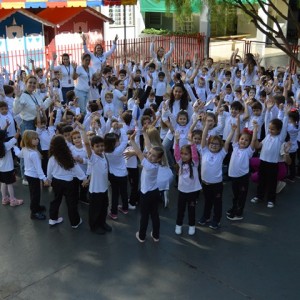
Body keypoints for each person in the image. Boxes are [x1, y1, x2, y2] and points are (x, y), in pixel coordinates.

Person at [13, 75, 53, 185]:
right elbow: (16, 111)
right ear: (25, 83)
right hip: (27, 124)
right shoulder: (22, 96)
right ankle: (25, 176)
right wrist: (16, 97)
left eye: (34, 83)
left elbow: (42, 107)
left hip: (37, 123)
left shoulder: (35, 94)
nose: (32, 84)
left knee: (35, 149)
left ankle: (35, 173)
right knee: (26, 150)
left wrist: (50, 98)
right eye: (30, 82)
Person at [250, 101, 289, 208]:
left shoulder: (280, 138)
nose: (270, 130)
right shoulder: (267, 136)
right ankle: (259, 196)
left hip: (273, 164)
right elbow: (267, 122)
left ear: (279, 130)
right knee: (261, 180)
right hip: (263, 161)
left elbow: (284, 126)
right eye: (270, 129)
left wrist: (285, 114)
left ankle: (271, 200)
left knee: (272, 183)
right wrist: (268, 110)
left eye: (273, 129)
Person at [198, 120, 235, 230]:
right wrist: (206, 127)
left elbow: (227, 142)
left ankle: (216, 220)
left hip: (217, 185)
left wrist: (232, 131)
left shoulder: (222, 154)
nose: (214, 146)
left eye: (217, 144)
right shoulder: (204, 151)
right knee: (207, 201)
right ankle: (206, 216)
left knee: (217, 203)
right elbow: (204, 137)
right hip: (205, 183)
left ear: (220, 146)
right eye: (212, 143)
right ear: (208, 144)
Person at [129, 131, 164, 243]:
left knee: (144, 216)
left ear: (158, 159)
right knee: (154, 214)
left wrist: (132, 140)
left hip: (146, 194)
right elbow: (148, 147)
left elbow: (139, 152)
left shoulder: (148, 165)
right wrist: (144, 133)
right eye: (149, 154)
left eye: (153, 155)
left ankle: (142, 236)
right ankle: (156, 235)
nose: (149, 155)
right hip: (155, 192)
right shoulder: (155, 164)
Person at [47, 135, 88, 228]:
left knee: (56, 200)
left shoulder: (52, 158)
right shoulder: (69, 157)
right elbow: (77, 169)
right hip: (69, 183)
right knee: (71, 202)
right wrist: (84, 178)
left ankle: (53, 219)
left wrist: (48, 179)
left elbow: (49, 171)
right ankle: (75, 222)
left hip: (56, 182)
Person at [81, 127, 112, 235]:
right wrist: (83, 130)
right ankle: (94, 226)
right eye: (97, 146)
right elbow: (85, 143)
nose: (100, 148)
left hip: (104, 188)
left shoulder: (103, 155)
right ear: (93, 148)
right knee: (95, 210)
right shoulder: (93, 157)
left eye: (102, 145)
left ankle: (102, 223)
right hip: (95, 190)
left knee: (104, 208)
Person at [226, 118, 258, 221]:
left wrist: (256, 129)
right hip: (234, 176)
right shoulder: (235, 146)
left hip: (243, 177)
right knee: (235, 195)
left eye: (246, 140)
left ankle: (239, 213)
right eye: (242, 139)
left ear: (249, 143)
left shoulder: (249, 151)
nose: (243, 141)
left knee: (242, 195)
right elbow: (237, 134)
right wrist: (238, 122)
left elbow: (253, 140)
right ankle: (234, 207)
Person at [15, 130, 48, 219]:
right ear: (28, 140)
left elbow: (19, 155)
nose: (37, 140)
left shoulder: (25, 149)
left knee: (33, 193)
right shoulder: (33, 154)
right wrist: (44, 179)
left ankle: (36, 207)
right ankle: (34, 212)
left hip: (28, 175)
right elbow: (38, 168)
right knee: (35, 194)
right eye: (34, 139)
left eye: (37, 138)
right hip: (33, 176)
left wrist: (15, 148)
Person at [174, 131, 201, 236]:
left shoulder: (194, 163)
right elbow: (176, 154)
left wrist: (192, 144)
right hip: (182, 191)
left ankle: (191, 226)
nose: (183, 156)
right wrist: (176, 141)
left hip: (192, 192)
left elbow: (194, 155)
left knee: (191, 210)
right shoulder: (180, 163)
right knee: (180, 210)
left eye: (186, 154)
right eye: (182, 154)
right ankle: (178, 225)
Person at [104, 127, 129, 220]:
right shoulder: (118, 150)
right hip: (123, 175)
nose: (119, 142)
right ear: (114, 144)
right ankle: (125, 208)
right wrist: (121, 127)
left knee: (114, 194)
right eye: (117, 141)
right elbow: (125, 139)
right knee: (124, 192)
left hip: (112, 175)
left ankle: (113, 213)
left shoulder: (106, 151)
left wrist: (113, 128)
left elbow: (108, 137)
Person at [0, 129, 22, 207]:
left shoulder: (4, 145)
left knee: (3, 183)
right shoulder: (7, 145)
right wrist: (18, 131)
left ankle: (4, 199)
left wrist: (6, 126)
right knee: (9, 184)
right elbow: (15, 138)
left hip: (1, 169)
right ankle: (13, 200)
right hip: (8, 169)